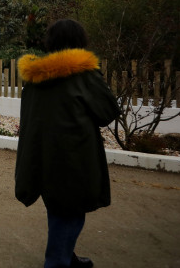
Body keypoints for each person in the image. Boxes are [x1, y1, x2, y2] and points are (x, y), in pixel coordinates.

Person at [15, 19, 121, 268]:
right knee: (71, 214)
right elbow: (107, 112)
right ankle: (57, 262)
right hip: (74, 158)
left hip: (41, 157)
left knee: (58, 208)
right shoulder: (83, 75)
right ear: (79, 42)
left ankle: (66, 257)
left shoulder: (34, 78)